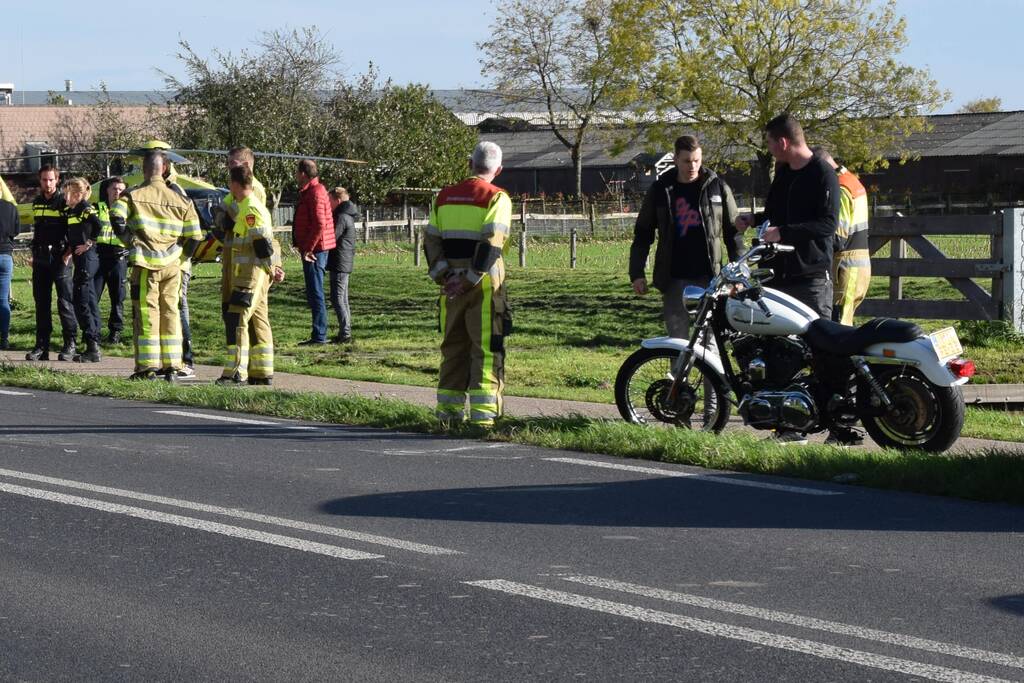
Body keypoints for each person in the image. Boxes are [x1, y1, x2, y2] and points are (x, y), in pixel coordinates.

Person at [424, 141, 512, 427]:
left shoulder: (444, 197)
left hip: (449, 286)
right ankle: (483, 417)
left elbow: (431, 240)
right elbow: (492, 242)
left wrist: (446, 276)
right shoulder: (497, 198)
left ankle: (448, 415)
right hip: (483, 286)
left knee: (453, 348)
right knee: (486, 348)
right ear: (498, 169)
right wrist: (470, 279)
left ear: (470, 164)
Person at [629, 134, 743, 338]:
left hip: (709, 277)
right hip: (674, 278)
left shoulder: (716, 187)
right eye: (687, 161)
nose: (693, 166)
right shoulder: (661, 189)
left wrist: (738, 275)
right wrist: (637, 273)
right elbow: (643, 233)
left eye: (697, 160)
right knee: (677, 340)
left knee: (710, 339)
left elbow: (733, 234)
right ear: (675, 159)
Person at [109, 150, 202, 381]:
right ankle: (173, 367)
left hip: (145, 264)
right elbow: (195, 235)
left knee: (146, 313)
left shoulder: (133, 195)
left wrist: (129, 241)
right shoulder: (182, 199)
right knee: (171, 313)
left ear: (144, 169)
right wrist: (182, 258)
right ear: (164, 169)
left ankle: (147, 368)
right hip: (173, 266)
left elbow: (116, 216)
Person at [738, 114, 839, 319]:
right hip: (776, 277)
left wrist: (782, 233)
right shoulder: (783, 174)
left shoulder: (823, 174)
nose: (768, 148)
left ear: (783, 143)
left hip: (809, 279)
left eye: (769, 142)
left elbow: (828, 224)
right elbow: (775, 214)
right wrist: (753, 219)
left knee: (816, 336)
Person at [216, 165, 276, 386]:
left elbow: (263, 245)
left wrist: (272, 269)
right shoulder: (245, 207)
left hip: (251, 273)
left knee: (237, 317)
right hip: (247, 273)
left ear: (234, 184)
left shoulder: (250, 208)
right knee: (258, 318)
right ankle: (261, 372)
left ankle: (236, 372)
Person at [26, 164, 77, 361]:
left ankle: (70, 344)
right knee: (41, 303)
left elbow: (73, 230)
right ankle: (42, 346)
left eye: (51, 180)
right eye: (44, 180)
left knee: (65, 302)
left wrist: (68, 253)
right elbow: (38, 231)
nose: (47, 184)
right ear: (40, 181)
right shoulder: (37, 202)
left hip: (60, 257)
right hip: (41, 258)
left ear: (57, 180)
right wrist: (34, 254)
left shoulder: (64, 202)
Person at [814, 148, 871, 325]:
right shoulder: (851, 181)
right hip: (854, 265)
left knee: (839, 326)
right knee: (844, 323)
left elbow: (837, 237)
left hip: (845, 266)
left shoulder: (840, 188)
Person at [292, 159, 335, 345]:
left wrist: (309, 248)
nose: (295, 176)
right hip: (314, 248)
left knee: (316, 292)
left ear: (303, 173)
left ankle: (319, 335)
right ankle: (318, 333)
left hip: (316, 250)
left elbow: (319, 224)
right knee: (313, 291)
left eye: (297, 172)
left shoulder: (315, 192)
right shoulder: (311, 191)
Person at [62, 177, 103, 362]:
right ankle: (92, 343)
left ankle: (93, 346)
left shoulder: (84, 208)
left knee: (81, 301)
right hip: (79, 258)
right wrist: (68, 252)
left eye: (68, 193)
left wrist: (88, 243)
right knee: (86, 300)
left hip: (87, 258)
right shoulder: (72, 211)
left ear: (78, 194)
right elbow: (75, 235)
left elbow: (98, 225)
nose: (65, 197)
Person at [93, 177, 129, 344]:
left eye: (121, 189)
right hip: (99, 257)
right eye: (114, 189)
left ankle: (115, 332)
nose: (117, 192)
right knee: (93, 296)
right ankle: (93, 331)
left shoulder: (128, 210)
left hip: (118, 257)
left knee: (118, 297)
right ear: (107, 190)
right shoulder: (97, 208)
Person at [327, 186, 358, 343]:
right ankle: (345, 332)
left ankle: (345, 333)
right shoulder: (347, 215)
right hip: (343, 261)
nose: (328, 204)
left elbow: (332, 236)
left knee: (338, 298)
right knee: (342, 299)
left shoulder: (341, 217)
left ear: (337, 200)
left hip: (339, 262)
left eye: (330, 201)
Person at [0, 196, 18, 349]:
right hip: (6, 255)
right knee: (3, 300)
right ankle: (4, 338)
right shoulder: (11, 207)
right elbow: (16, 231)